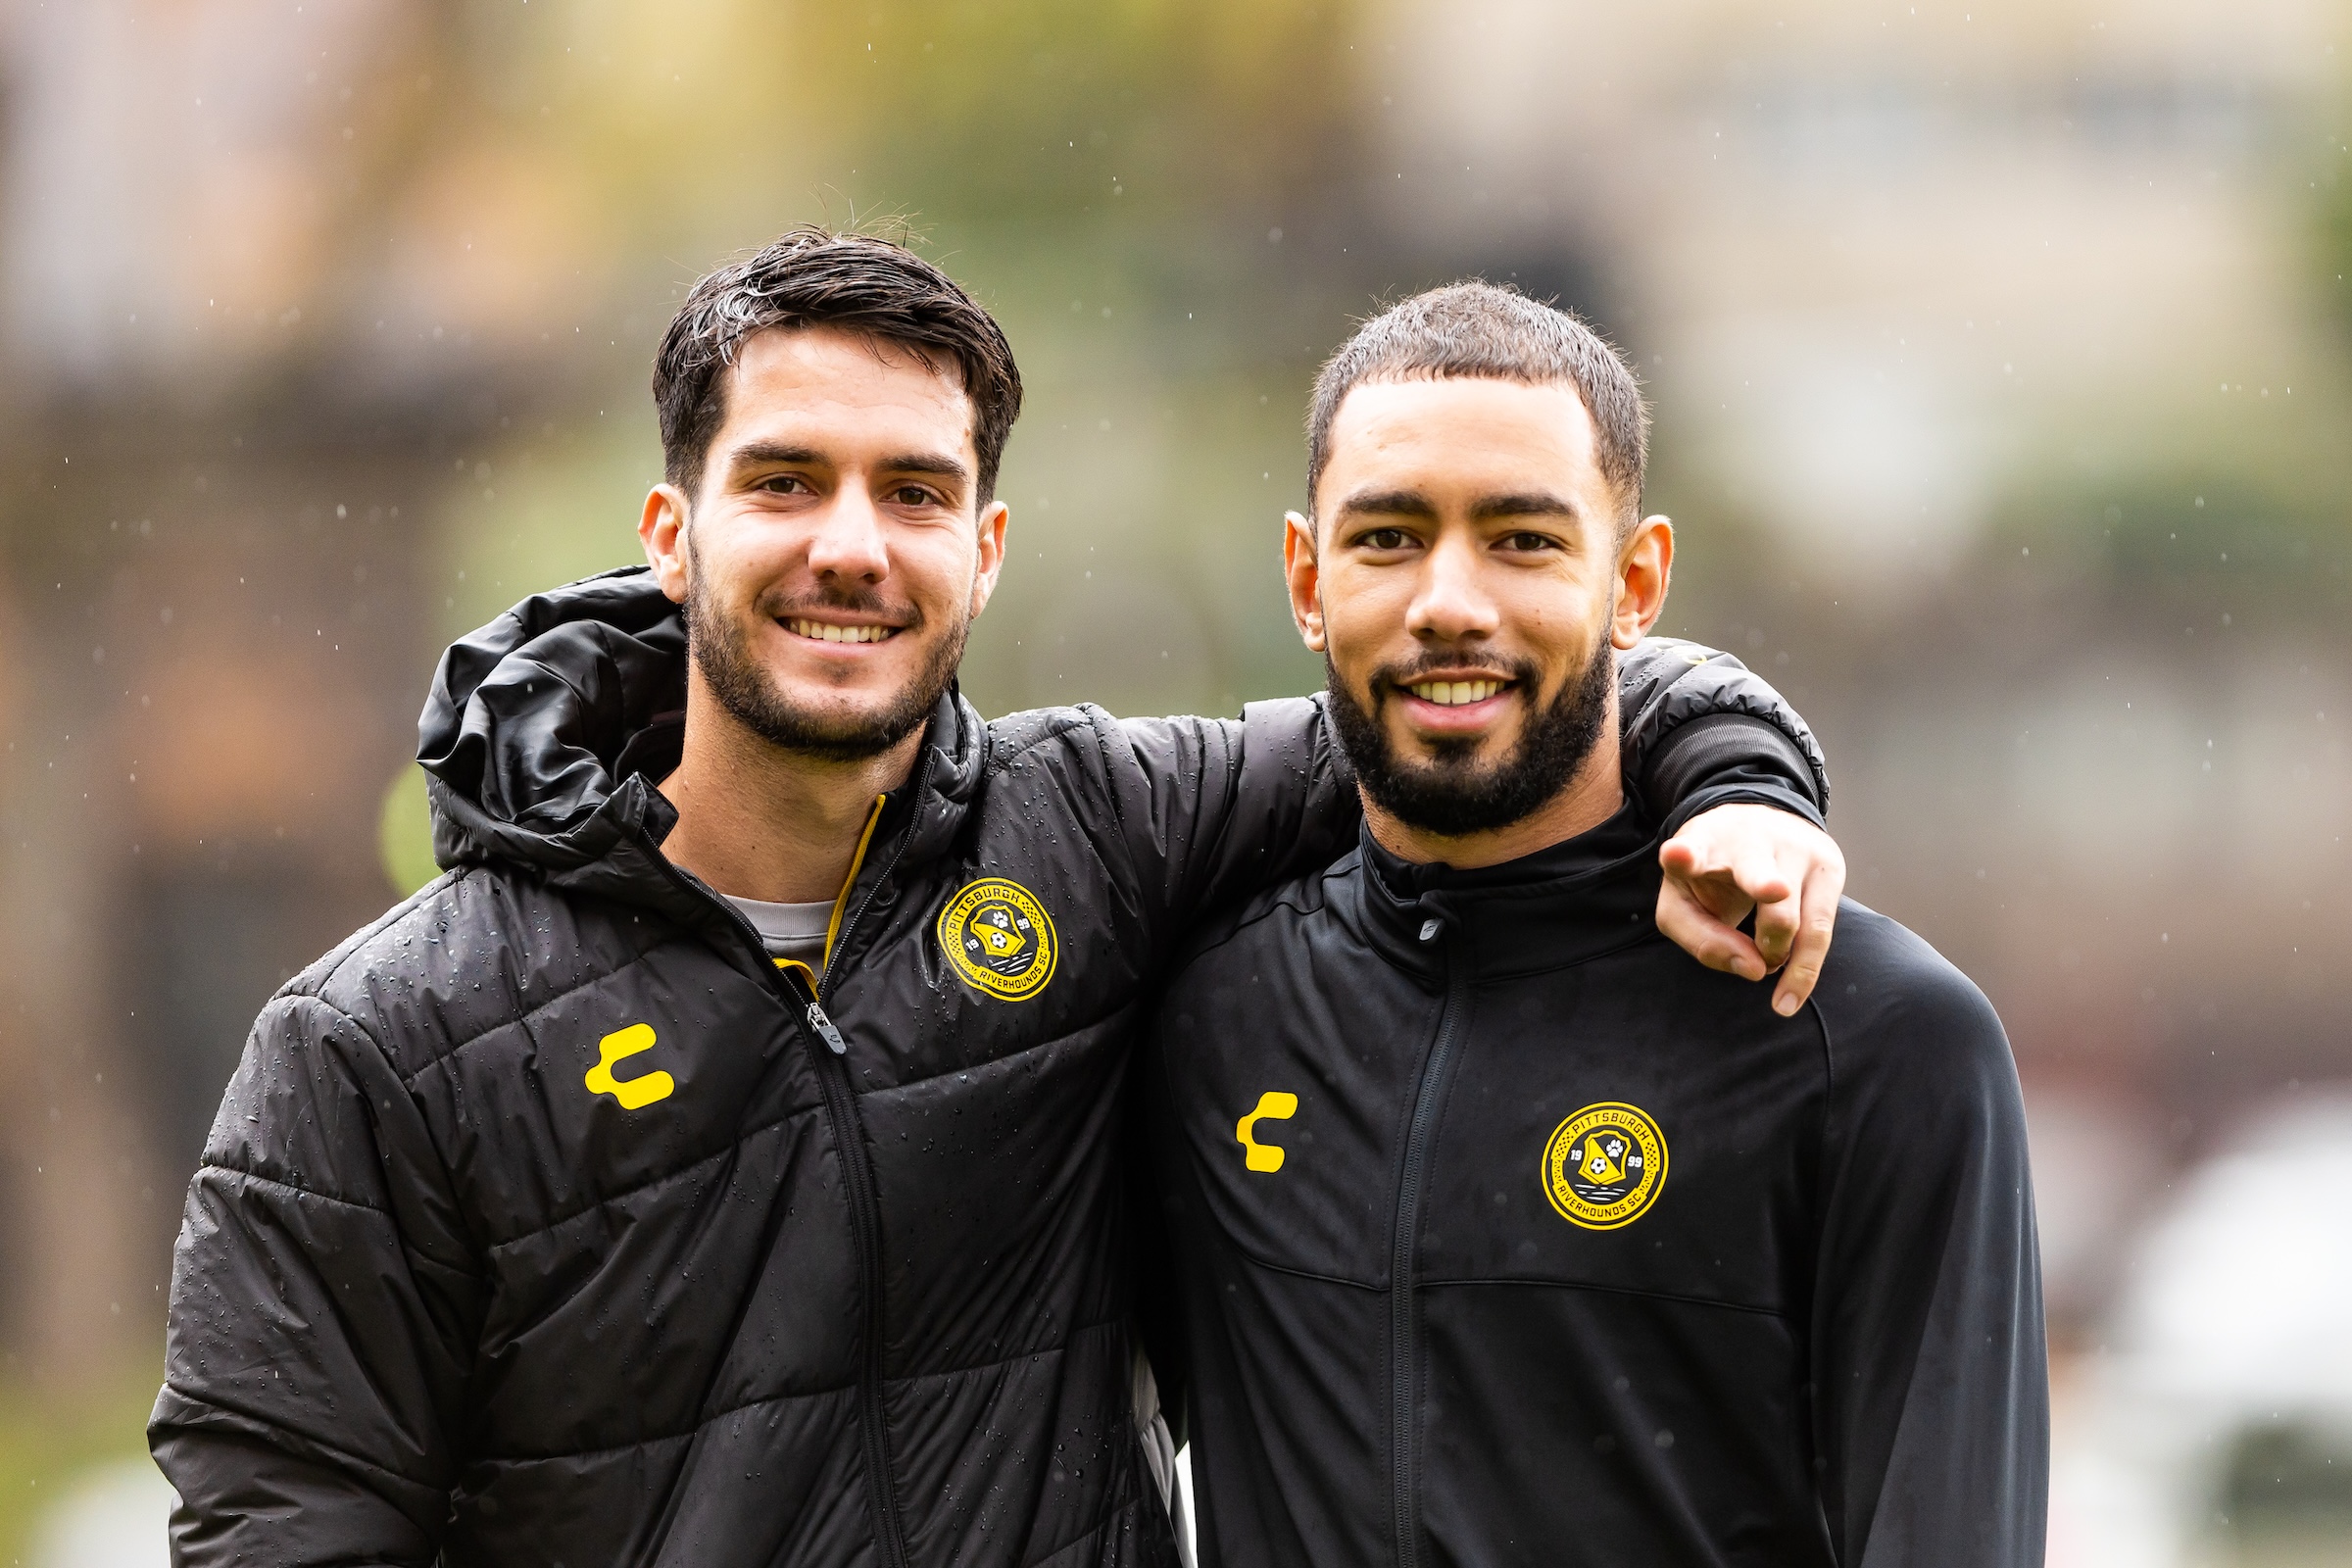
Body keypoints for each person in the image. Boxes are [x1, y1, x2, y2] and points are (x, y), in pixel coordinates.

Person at [149, 230, 1845, 1566]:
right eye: (786, 482)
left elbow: (1476, 685)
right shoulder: (381, 1045)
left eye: (915, 492)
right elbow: (280, 1523)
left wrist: (1748, 787)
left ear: (989, 547)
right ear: (672, 531)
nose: (852, 546)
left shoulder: (1101, 834)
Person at [1141, 283, 2046, 1567]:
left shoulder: (1872, 1035)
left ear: (1636, 582)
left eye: (1522, 541)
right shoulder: (1212, 1016)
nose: (1449, 601)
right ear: (1306, 578)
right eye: (1390, 539)